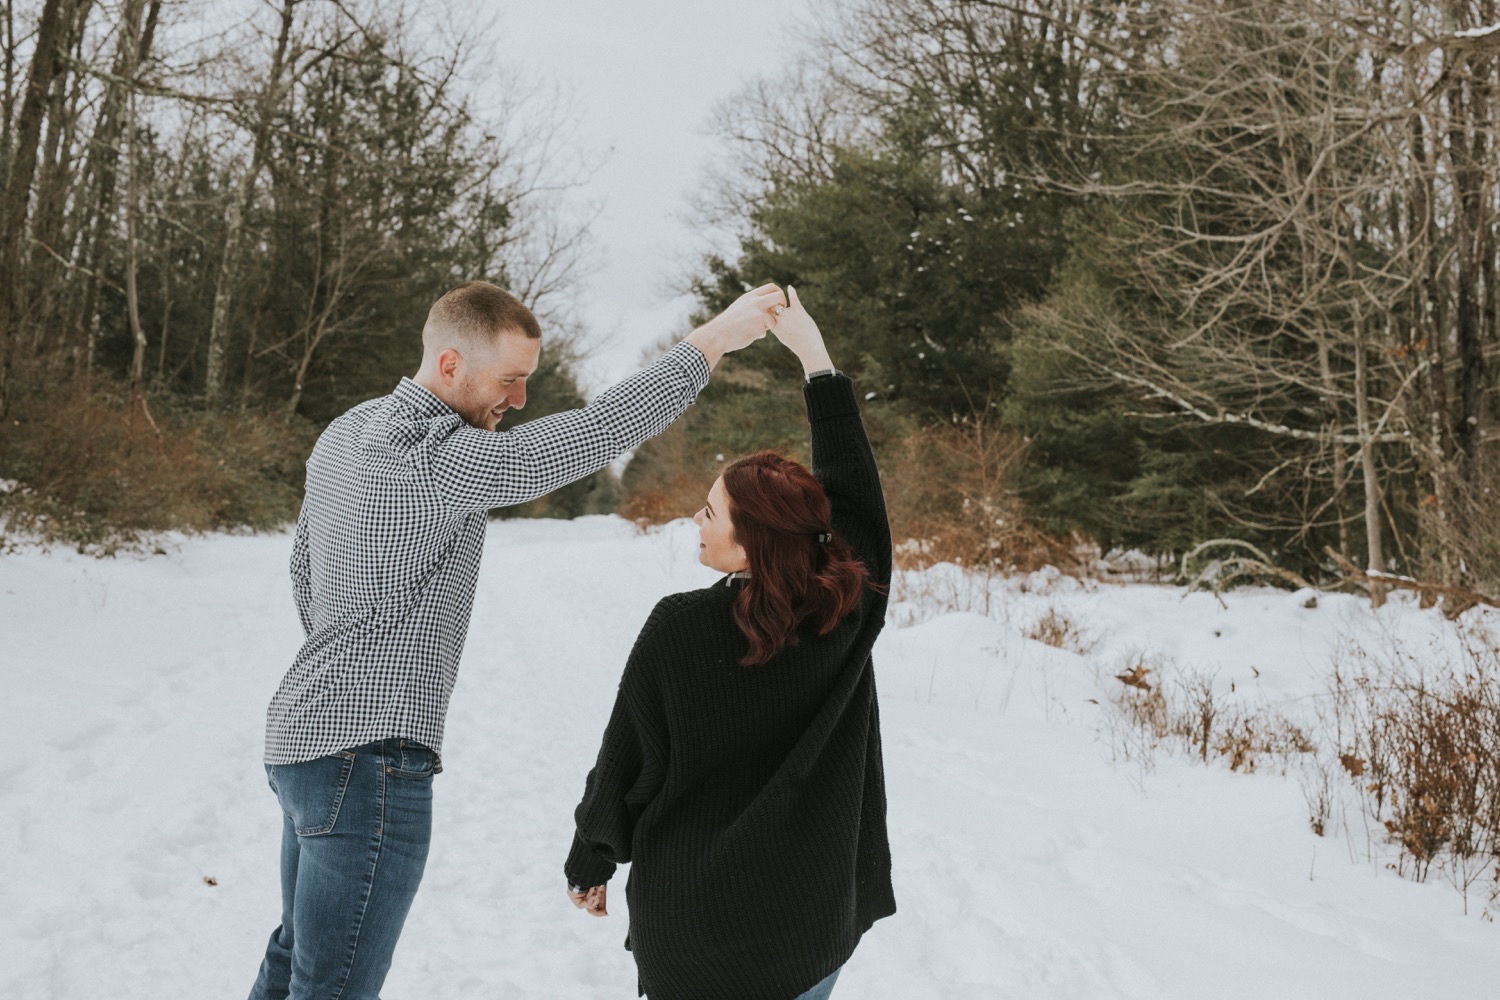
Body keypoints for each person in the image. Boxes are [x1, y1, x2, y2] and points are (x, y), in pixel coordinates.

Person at [247, 278, 787, 1000]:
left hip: (302, 744)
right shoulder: (435, 460)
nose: (520, 400)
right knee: (333, 987)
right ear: (449, 367)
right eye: (509, 380)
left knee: (295, 961)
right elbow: (596, 431)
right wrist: (715, 337)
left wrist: (351, 648)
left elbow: (303, 570)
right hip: (369, 761)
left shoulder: (345, 433)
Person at [564, 287, 896, 1000]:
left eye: (712, 511)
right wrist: (815, 357)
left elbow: (626, 759)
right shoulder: (846, 612)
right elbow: (859, 497)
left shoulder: (680, 629)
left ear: (753, 544)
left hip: (694, 934)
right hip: (809, 931)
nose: (697, 517)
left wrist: (591, 857)